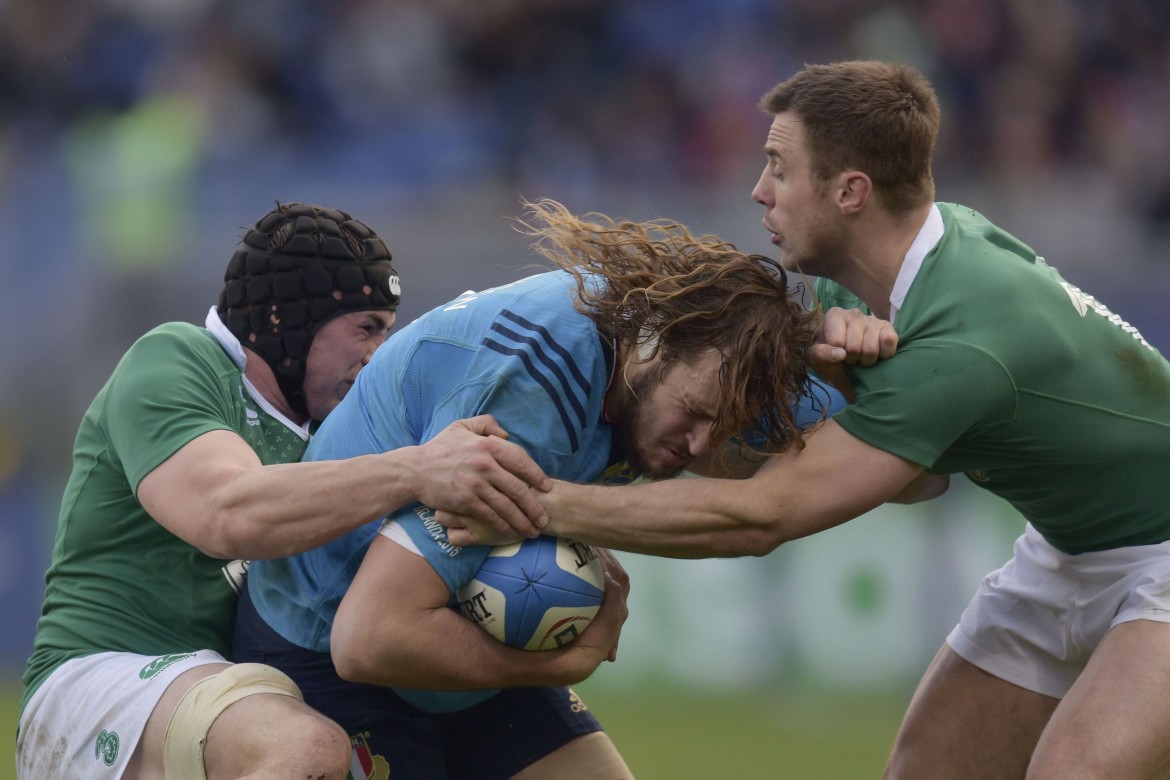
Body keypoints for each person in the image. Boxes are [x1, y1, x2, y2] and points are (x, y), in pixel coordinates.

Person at [441, 62, 1170, 780]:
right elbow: (921, 481)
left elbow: (762, 517)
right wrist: (846, 376)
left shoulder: (966, 336)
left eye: (779, 168)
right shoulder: (876, 281)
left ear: (850, 191)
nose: (760, 192)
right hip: (1068, 551)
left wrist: (538, 505)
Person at [233, 198, 839, 779]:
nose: (702, 447)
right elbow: (368, 639)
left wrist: (853, 365)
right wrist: (563, 663)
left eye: (724, 425)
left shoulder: (710, 362)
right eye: (694, 413)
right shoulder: (533, 390)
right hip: (327, 646)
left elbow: (890, 477)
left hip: (449, 633)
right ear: (656, 346)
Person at [16, 202, 554, 780]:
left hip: (230, 695)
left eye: (388, 333)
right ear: (281, 320)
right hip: (104, 686)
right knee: (305, 749)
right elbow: (227, 513)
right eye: (365, 328)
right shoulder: (178, 358)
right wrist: (417, 469)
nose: (377, 356)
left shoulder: (336, 427)